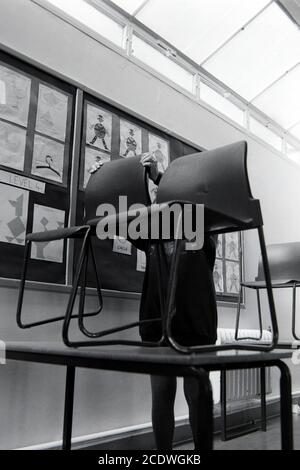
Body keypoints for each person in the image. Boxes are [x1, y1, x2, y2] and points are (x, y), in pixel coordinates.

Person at [90, 153, 218, 450]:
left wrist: (160, 177)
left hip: (195, 320)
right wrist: (102, 179)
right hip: (156, 319)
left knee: (197, 393)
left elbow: (194, 210)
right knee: (161, 394)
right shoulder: (151, 228)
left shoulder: (203, 225)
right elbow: (115, 217)